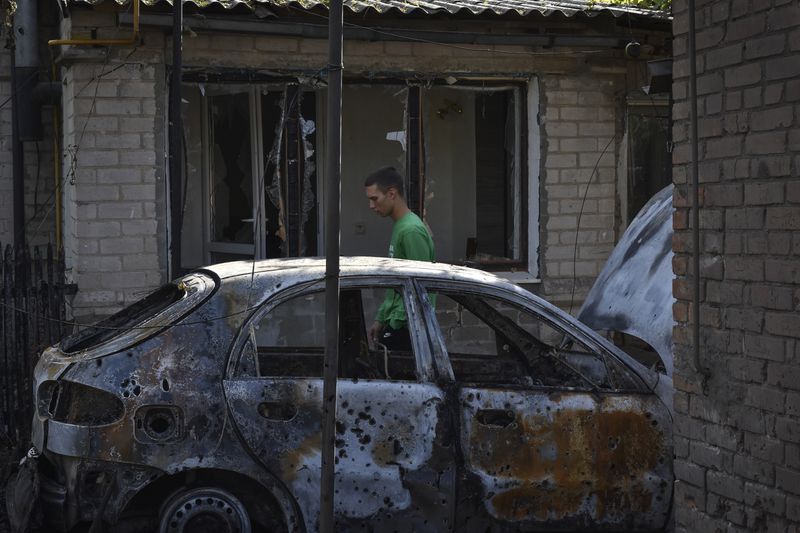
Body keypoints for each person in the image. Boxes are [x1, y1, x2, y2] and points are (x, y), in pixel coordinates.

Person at [364, 166, 435, 351]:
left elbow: (421, 285)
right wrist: (381, 318)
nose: (372, 206)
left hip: (408, 326)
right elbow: (397, 285)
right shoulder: (401, 226)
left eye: (374, 199)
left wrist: (396, 323)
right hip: (399, 322)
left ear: (392, 194)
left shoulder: (411, 230)